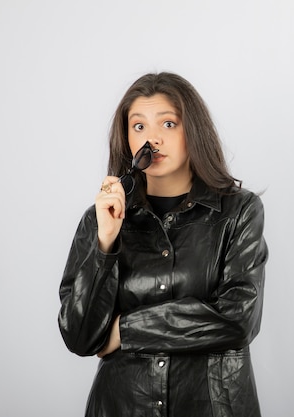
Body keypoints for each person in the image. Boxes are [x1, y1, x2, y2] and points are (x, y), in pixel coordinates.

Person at [58, 72, 268, 417]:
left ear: (193, 131)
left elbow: (238, 318)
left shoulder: (238, 212)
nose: (152, 139)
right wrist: (105, 244)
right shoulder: (101, 220)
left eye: (168, 124)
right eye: (138, 127)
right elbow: (80, 337)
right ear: (126, 138)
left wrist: (125, 331)